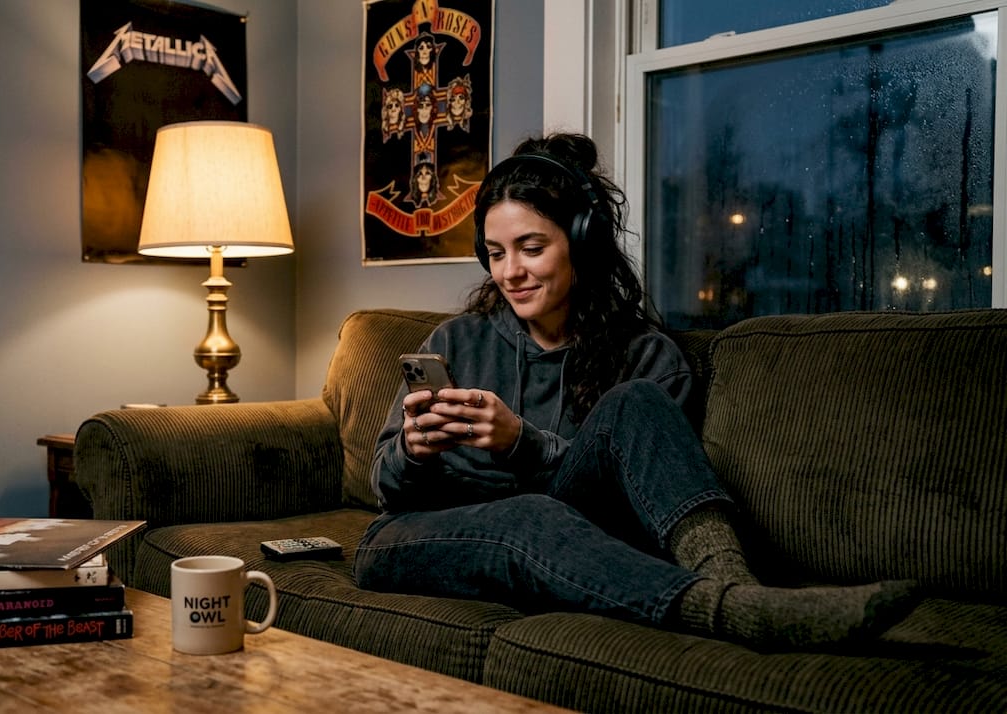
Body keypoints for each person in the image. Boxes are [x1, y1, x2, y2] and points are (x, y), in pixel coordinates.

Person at [352, 132, 918, 650]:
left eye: (532, 247)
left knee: (631, 407)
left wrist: (520, 441)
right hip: (418, 536)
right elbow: (387, 488)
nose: (510, 273)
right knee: (522, 515)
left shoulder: (646, 357)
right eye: (496, 254)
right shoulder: (455, 340)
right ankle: (737, 613)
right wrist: (413, 449)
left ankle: (738, 591)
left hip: (570, 537)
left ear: (583, 244)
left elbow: (626, 517)